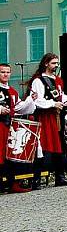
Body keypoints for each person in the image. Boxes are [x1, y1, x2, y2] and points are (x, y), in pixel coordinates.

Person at [28, 53, 67, 189]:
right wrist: (52, 104)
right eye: (53, 63)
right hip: (44, 116)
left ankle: (60, 176)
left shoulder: (58, 80)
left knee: (58, 145)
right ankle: (36, 178)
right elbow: (37, 100)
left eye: (57, 63)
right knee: (42, 146)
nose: (56, 66)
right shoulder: (38, 80)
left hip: (56, 116)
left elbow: (61, 97)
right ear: (46, 63)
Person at [0, 63, 37, 193]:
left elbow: (18, 108)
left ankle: (11, 184)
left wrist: (30, 100)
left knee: (8, 155)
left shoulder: (12, 91)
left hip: (7, 126)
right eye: (2, 72)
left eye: (7, 72)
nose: (5, 74)